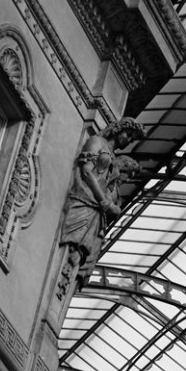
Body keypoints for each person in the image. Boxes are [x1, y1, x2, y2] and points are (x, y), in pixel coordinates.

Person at [59, 118, 144, 289]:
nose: (128, 140)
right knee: (67, 250)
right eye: (128, 134)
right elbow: (86, 172)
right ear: (118, 128)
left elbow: (107, 186)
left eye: (132, 139)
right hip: (83, 200)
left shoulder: (113, 156)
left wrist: (110, 206)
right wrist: (104, 202)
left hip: (95, 211)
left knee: (78, 255)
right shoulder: (97, 142)